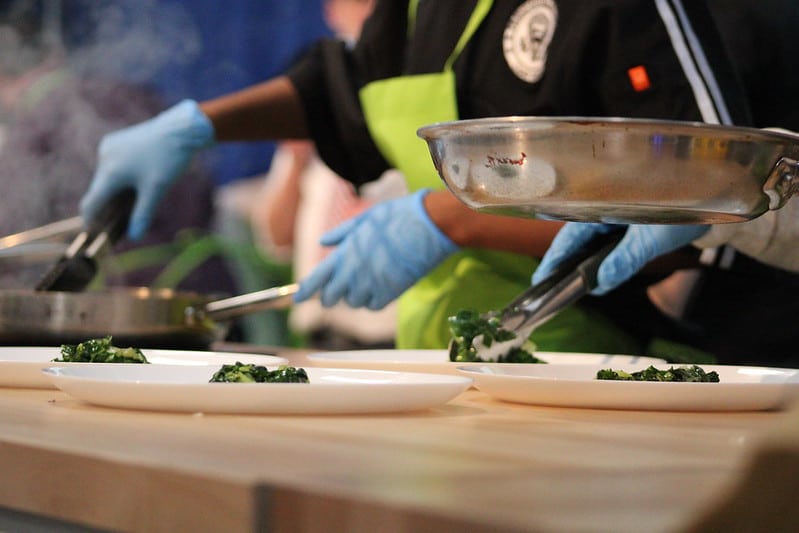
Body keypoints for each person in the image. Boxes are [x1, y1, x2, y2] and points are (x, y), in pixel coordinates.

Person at [79, 0, 799, 364]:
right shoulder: (420, 10)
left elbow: (700, 201)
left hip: (610, 364)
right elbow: (341, 91)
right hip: (444, 364)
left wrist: (449, 218)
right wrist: (195, 123)